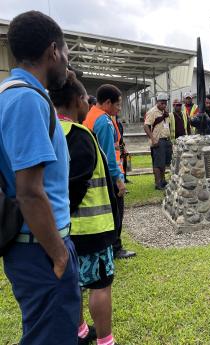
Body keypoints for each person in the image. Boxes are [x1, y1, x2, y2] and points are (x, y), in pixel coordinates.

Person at [0, 11, 80, 344]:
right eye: (66, 54)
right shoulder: (27, 101)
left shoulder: (10, 94)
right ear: (53, 51)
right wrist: (60, 254)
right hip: (42, 250)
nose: (66, 64)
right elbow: (30, 191)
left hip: (35, 247)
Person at [50, 72, 119, 345]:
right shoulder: (79, 135)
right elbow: (74, 186)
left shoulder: (49, 130)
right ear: (80, 99)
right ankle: (105, 340)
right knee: (100, 284)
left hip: (63, 229)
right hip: (92, 227)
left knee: (74, 281)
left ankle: (80, 331)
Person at [84, 84, 136, 260]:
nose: (119, 108)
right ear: (107, 102)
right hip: (109, 176)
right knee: (116, 212)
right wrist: (118, 180)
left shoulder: (91, 115)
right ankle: (115, 247)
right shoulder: (104, 122)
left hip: (97, 174)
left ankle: (109, 246)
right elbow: (108, 154)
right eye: (118, 104)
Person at [144, 93, 173, 189]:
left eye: (165, 103)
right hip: (158, 140)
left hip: (166, 139)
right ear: (157, 102)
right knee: (157, 163)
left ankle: (163, 180)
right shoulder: (152, 112)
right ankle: (158, 183)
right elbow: (146, 126)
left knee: (164, 162)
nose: (164, 105)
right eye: (162, 103)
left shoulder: (165, 112)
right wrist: (153, 139)